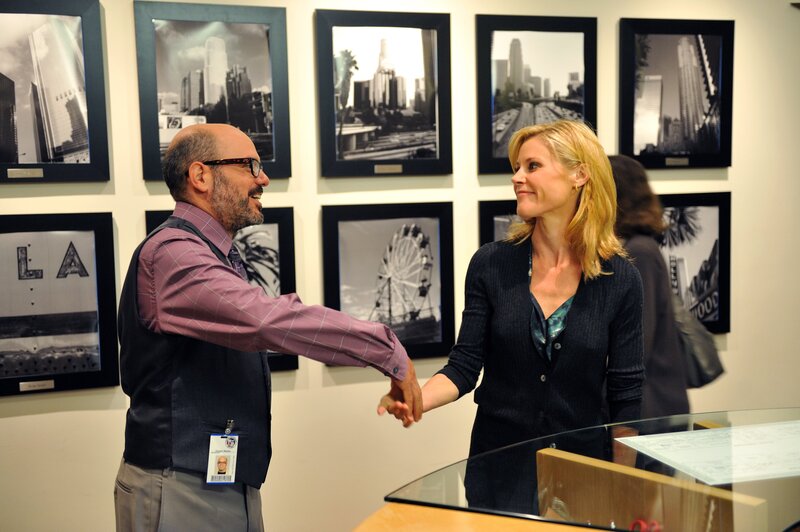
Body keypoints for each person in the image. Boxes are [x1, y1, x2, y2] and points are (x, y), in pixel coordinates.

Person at [114, 123, 422, 532]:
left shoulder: (210, 251)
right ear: (201, 175)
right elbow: (264, 319)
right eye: (249, 165)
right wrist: (386, 349)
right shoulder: (174, 254)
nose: (263, 178)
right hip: (180, 489)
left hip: (220, 483)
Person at [381, 120, 645, 514]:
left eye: (532, 166)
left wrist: (623, 490)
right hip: (498, 474)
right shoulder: (491, 264)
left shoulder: (620, 279)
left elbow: (626, 399)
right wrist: (416, 398)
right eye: (517, 168)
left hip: (585, 479)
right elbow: (464, 366)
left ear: (579, 174)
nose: (517, 178)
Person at [610, 154, 690, 418]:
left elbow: (638, 344)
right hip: (644, 407)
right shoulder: (634, 248)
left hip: (650, 411)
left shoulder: (639, 251)